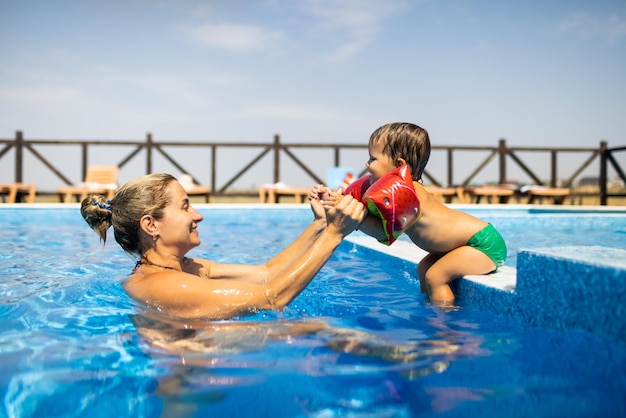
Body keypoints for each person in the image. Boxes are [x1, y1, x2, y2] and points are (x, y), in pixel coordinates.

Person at [81, 172, 366, 320]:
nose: (197, 215)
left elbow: (266, 274)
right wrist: (334, 235)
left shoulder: (186, 269)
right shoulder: (163, 285)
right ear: (151, 225)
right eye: (185, 207)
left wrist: (319, 226)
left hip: (210, 369)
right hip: (191, 393)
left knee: (323, 331)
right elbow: (271, 299)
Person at [313, 122, 507, 306]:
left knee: (435, 277)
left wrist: (355, 215)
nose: (367, 163)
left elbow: (383, 233)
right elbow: (364, 212)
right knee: (423, 269)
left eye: (373, 159)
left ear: (398, 164)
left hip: (483, 244)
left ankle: (445, 330)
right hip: (461, 245)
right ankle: (428, 310)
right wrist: (337, 202)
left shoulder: (409, 194)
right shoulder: (395, 191)